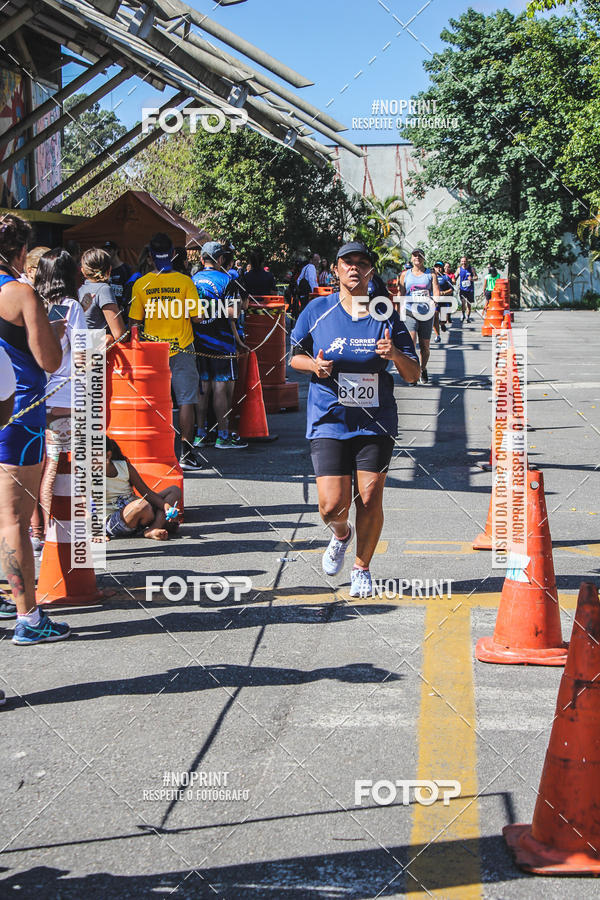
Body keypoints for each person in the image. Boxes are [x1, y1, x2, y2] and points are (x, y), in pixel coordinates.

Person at [290, 241, 419, 598]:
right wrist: (315, 365)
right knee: (331, 506)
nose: (355, 268)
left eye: (363, 263)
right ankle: (341, 534)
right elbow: (293, 358)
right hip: (329, 416)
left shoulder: (385, 313)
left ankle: (362, 567)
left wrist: (393, 353)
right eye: (348, 262)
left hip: (374, 419)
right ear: (336, 269)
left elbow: (413, 374)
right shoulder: (317, 309)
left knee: (370, 496)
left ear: (370, 272)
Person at [0, 214, 71, 646]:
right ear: (23, 252)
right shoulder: (21, 293)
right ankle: (27, 615)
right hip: (20, 410)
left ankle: (11, 595)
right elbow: (48, 360)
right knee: (15, 519)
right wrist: (53, 329)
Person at [129, 233, 204, 470]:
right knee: (186, 401)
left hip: (152, 351)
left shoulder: (141, 284)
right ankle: (187, 454)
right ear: (172, 255)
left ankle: (156, 452)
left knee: (154, 402)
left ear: (150, 256)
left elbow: (134, 323)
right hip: (182, 348)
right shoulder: (185, 282)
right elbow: (198, 317)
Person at [34, 249, 88, 539]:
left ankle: (38, 532)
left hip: (37, 398)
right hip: (66, 399)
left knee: (41, 468)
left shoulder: (35, 306)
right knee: (64, 469)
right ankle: (58, 535)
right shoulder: (70, 307)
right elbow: (80, 356)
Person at [192, 241, 248, 450]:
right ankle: (223, 435)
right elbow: (234, 314)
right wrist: (239, 341)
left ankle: (200, 433)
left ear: (201, 259)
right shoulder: (227, 280)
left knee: (202, 386)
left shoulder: (193, 280)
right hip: (222, 342)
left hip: (199, 341)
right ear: (221, 259)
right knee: (220, 387)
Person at [104, 438, 181, 541]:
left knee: (174, 490)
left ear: (108, 456)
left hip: (140, 511)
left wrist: (165, 506)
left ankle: (154, 528)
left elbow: (146, 492)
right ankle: (160, 521)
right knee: (142, 505)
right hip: (114, 520)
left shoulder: (124, 467)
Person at [399, 248, 440, 385]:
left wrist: (435, 301)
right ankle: (413, 373)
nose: (417, 258)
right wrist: (399, 310)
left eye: (420, 255)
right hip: (410, 311)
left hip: (426, 313)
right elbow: (402, 293)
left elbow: (436, 291)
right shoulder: (405, 275)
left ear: (423, 258)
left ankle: (423, 369)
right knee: (411, 342)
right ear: (411, 258)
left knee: (425, 346)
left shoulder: (430, 274)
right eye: (415, 255)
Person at [78, 249, 127, 347]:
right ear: (109, 270)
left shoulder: (77, 290)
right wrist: (110, 337)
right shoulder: (104, 290)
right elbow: (120, 335)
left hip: (78, 350)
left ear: (83, 271)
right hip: (95, 354)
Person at [103, 241, 132, 314]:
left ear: (116, 251)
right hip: (109, 310)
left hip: (122, 312)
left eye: (109, 250)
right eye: (105, 250)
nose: (107, 252)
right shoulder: (104, 269)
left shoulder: (125, 269)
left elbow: (130, 291)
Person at [432, 260, 454, 341]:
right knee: (435, 316)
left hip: (444, 300)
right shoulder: (431, 277)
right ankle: (437, 335)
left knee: (443, 319)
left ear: (442, 268)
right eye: (436, 267)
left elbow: (451, 289)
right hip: (436, 301)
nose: (438, 268)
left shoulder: (446, 277)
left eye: (440, 267)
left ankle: (442, 324)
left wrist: (444, 292)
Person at [455, 255, 477, 322]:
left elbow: (476, 277)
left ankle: (468, 317)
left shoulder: (471, 268)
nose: (463, 263)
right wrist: (453, 280)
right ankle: (463, 314)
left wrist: (472, 279)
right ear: (460, 262)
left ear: (467, 261)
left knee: (469, 304)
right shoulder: (459, 269)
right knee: (463, 302)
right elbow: (455, 277)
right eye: (462, 261)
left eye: (465, 261)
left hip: (470, 289)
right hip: (463, 289)